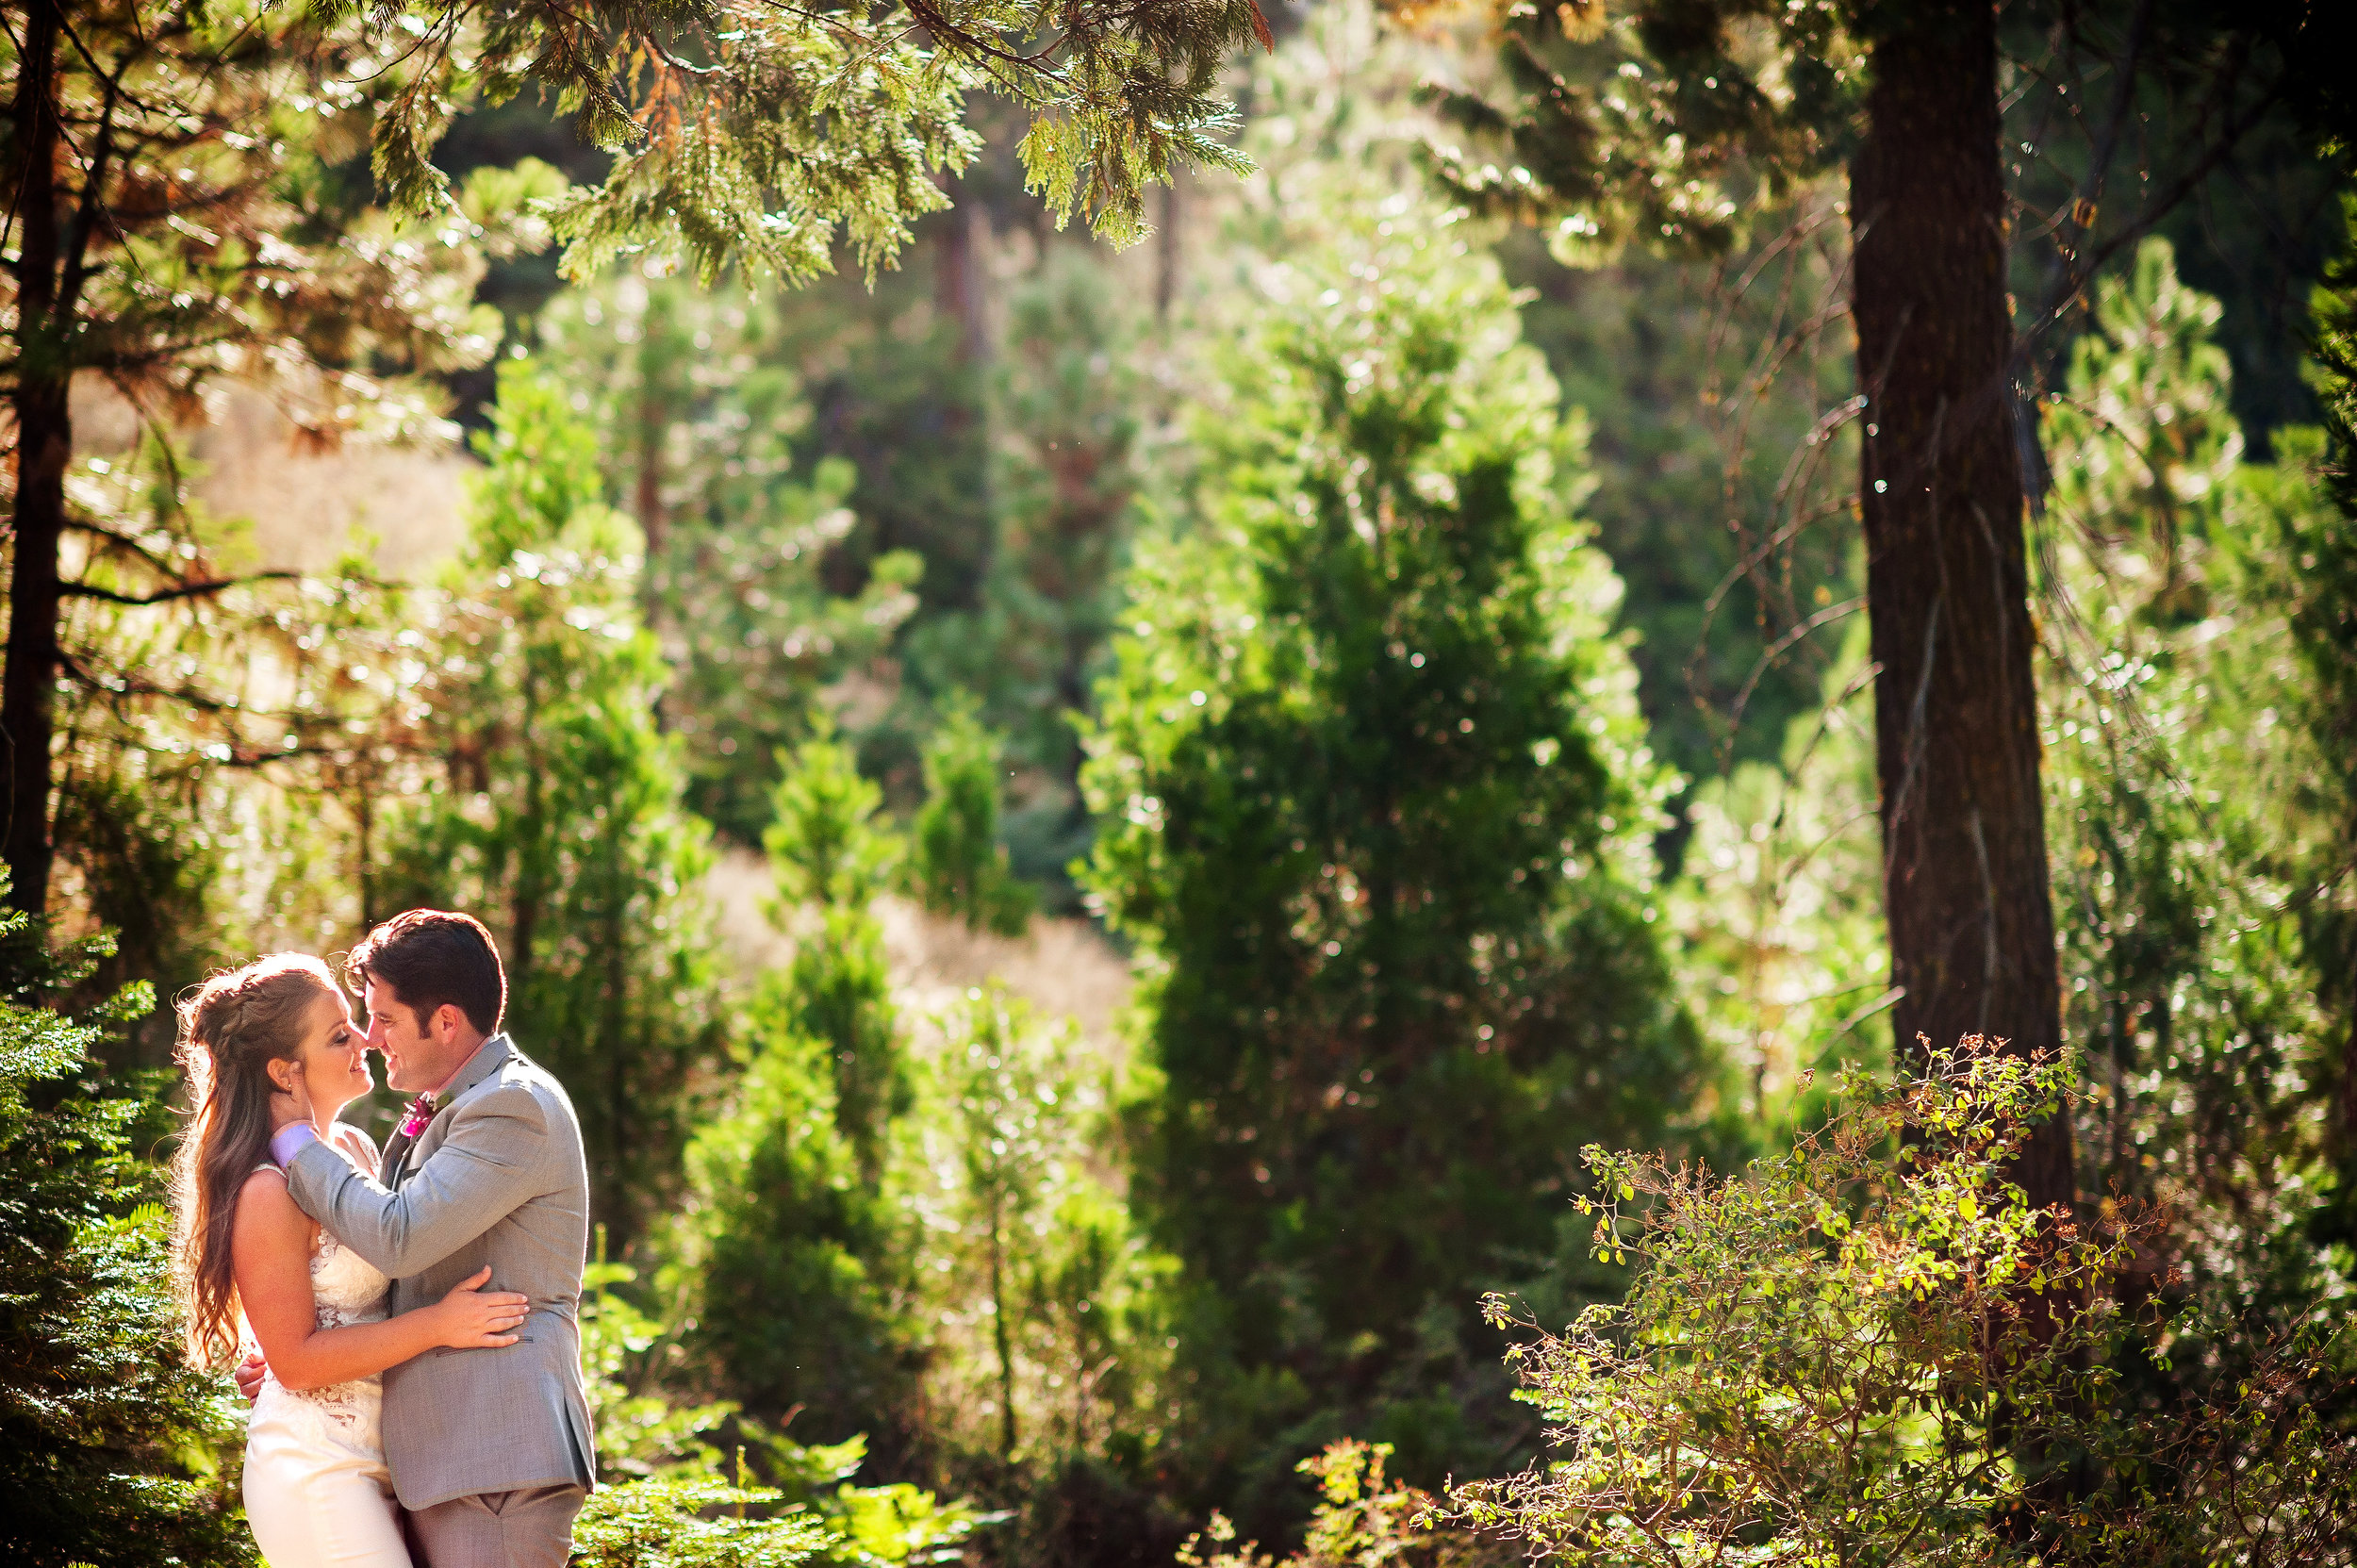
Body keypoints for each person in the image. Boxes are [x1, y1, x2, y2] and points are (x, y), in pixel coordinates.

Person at [243, 910, 599, 1568]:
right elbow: (407, 1274)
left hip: (494, 1458)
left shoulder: (510, 1106)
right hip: (443, 1460)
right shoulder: (460, 1103)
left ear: (445, 1020)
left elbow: (400, 1237)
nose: (371, 1037)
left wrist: (292, 1137)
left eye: (385, 1018)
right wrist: (305, 1346)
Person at [171, 952, 534, 1568]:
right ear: (286, 1072)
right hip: (314, 1468)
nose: (366, 1038)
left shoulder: (359, 1149)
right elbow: (297, 1363)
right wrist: (440, 1325)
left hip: (390, 1460)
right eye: (340, 1035)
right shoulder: (269, 1189)